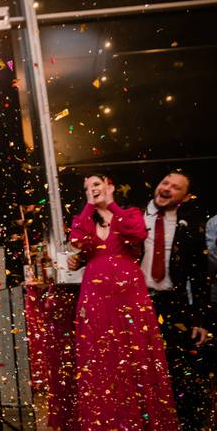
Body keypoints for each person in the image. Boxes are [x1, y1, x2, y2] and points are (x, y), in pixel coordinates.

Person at [68, 174, 178, 430]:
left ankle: (142, 420)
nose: (92, 189)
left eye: (96, 184)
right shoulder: (85, 219)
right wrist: (89, 206)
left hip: (129, 296)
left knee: (134, 352)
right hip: (96, 296)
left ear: (110, 186)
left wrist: (111, 205)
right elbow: (77, 241)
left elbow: (136, 233)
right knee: (102, 355)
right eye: (87, 188)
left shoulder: (130, 214)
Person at [141, 171, 211, 430]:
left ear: (185, 197)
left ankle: (182, 423)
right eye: (165, 183)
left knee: (177, 369)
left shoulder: (189, 224)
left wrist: (200, 319)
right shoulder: (134, 217)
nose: (168, 188)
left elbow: (200, 275)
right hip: (137, 303)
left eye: (176, 187)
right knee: (139, 365)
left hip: (172, 304)